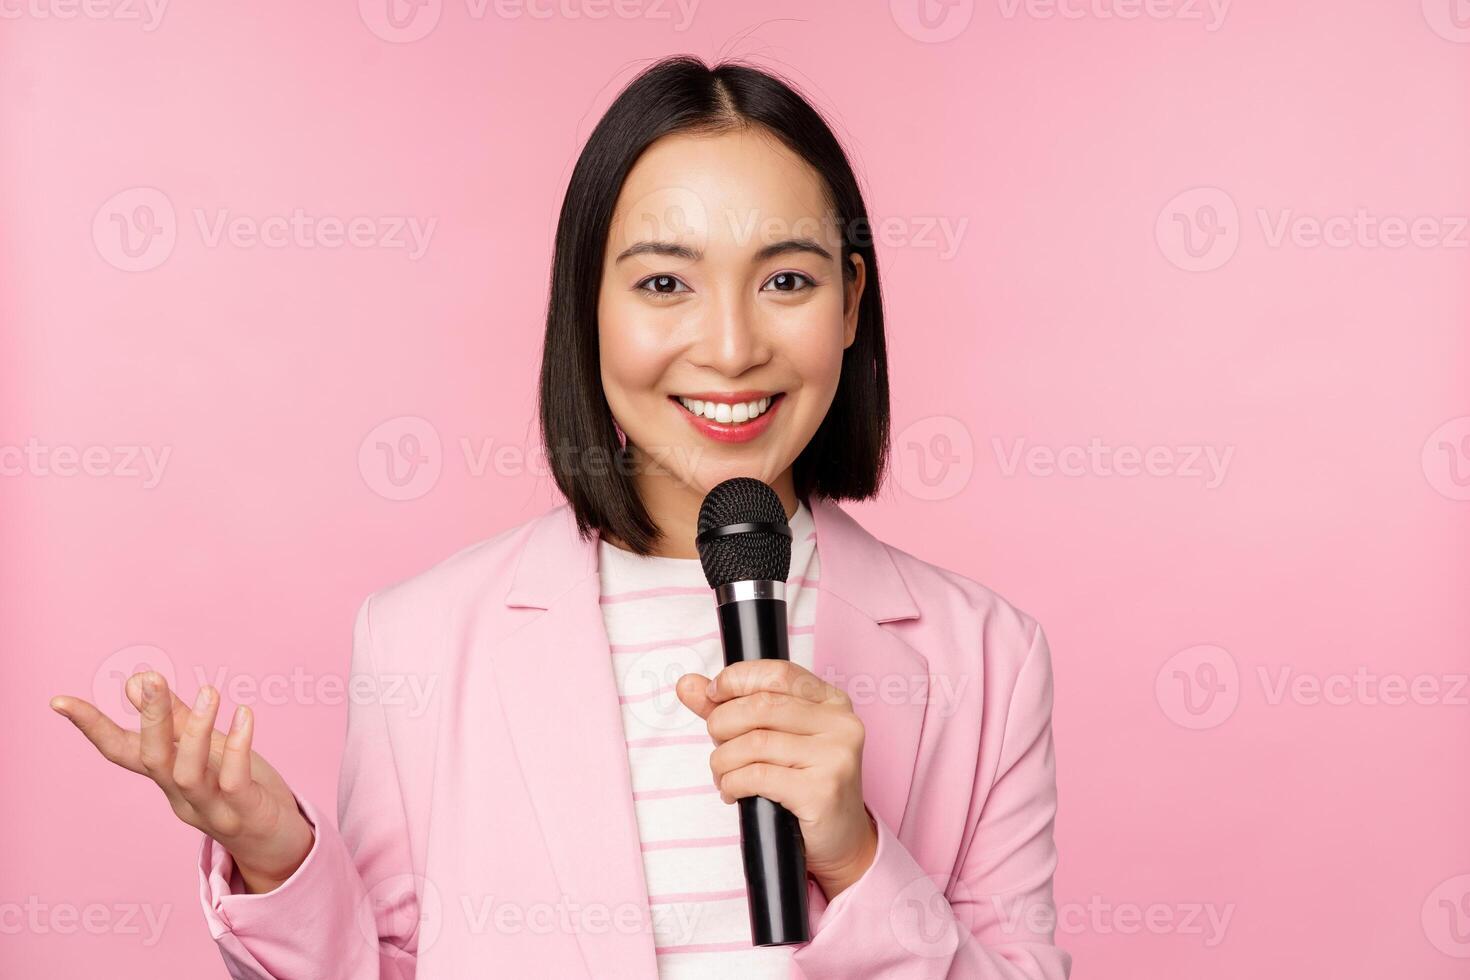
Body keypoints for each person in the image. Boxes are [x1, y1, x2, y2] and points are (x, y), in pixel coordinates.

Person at [49, 55, 1071, 979]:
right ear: (586, 303)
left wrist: (856, 856)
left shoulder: (987, 656)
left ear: (850, 305)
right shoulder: (424, 635)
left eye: (787, 280)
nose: (728, 345)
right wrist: (280, 864)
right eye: (665, 281)